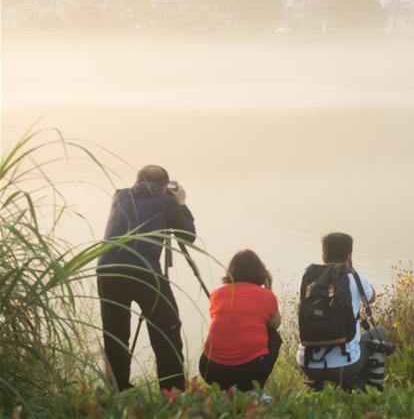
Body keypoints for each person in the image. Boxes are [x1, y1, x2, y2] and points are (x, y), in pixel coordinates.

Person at [96, 165, 196, 391]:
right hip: (144, 272)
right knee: (167, 328)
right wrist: (180, 202)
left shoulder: (119, 196)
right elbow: (188, 236)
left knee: (115, 333)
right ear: (164, 186)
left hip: (108, 270)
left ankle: (118, 390)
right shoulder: (166, 200)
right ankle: (172, 392)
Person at [298, 232, 385, 391]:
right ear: (349, 255)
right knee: (379, 335)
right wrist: (351, 269)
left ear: (323, 255)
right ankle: (365, 388)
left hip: (307, 363)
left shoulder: (310, 277)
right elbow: (372, 297)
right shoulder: (355, 277)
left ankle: (315, 386)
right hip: (346, 365)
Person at [199, 250, 282, 392]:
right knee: (274, 336)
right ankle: (253, 389)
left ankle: (224, 393)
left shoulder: (217, 294)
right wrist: (269, 289)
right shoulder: (266, 296)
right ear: (261, 273)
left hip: (210, 370)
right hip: (249, 372)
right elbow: (275, 324)